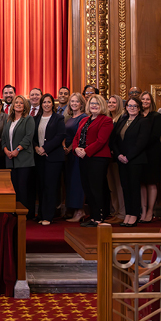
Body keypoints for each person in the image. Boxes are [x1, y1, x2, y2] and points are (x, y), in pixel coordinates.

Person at [72, 95, 113, 227]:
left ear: (102, 105)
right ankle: (94, 216)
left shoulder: (106, 120)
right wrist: (76, 149)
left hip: (98, 158)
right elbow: (76, 137)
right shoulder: (84, 120)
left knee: (96, 188)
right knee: (87, 188)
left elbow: (101, 140)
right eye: (92, 104)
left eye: (97, 104)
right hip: (84, 157)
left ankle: (99, 217)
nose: (94, 106)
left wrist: (86, 151)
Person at [111, 97, 150, 227]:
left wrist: (128, 156)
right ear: (126, 107)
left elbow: (141, 142)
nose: (132, 108)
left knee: (134, 188)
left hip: (135, 160)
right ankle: (128, 213)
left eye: (134, 106)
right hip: (121, 160)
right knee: (125, 188)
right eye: (129, 105)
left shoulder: (143, 121)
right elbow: (114, 140)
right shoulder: (122, 121)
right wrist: (119, 155)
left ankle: (134, 215)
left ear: (139, 108)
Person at [33, 94, 65, 225]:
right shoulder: (35, 119)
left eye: (48, 102)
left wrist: (45, 148)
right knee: (40, 186)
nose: (46, 104)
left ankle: (48, 216)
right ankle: (40, 214)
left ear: (53, 104)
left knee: (50, 186)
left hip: (53, 157)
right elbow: (32, 136)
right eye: (44, 102)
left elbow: (60, 136)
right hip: (39, 157)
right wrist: (36, 147)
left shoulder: (58, 118)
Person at [2, 95, 36, 219]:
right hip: (10, 160)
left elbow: (28, 138)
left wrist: (17, 150)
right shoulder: (9, 120)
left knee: (22, 188)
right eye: (16, 103)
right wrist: (6, 150)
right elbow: (4, 138)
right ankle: (14, 212)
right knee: (13, 188)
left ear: (25, 106)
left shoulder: (28, 119)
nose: (18, 105)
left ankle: (24, 215)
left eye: (21, 103)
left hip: (24, 160)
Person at [62, 93, 88, 222]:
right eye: (72, 101)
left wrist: (71, 147)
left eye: (76, 101)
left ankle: (80, 211)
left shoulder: (84, 117)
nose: (73, 103)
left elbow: (80, 135)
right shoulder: (70, 117)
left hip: (77, 153)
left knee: (78, 182)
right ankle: (72, 209)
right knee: (70, 182)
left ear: (81, 103)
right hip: (68, 154)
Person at [139, 91, 161, 223]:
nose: (145, 101)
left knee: (151, 182)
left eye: (147, 99)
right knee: (142, 182)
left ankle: (150, 211)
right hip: (139, 154)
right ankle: (143, 210)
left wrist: (140, 145)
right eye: (143, 99)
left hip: (152, 152)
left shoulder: (156, 116)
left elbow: (155, 135)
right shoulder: (137, 115)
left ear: (151, 101)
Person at [105, 95, 125, 224]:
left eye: (114, 102)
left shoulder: (122, 118)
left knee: (119, 185)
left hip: (118, 155)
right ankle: (115, 211)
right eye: (109, 102)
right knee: (111, 185)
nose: (111, 104)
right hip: (108, 156)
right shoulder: (108, 118)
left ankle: (122, 213)